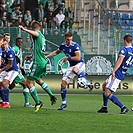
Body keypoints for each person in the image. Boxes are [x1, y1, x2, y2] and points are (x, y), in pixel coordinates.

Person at [46, 32, 92, 110]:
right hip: (71, 66)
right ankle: (64, 103)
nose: (69, 41)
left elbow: (78, 57)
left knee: (75, 70)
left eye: (70, 39)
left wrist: (68, 58)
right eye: (68, 40)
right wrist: (47, 56)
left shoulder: (75, 45)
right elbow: (56, 52)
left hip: (79, 63)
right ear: (65, 38)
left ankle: (85, 81)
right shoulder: (63, 45)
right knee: (63, 84)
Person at [19, 21, 57, 112]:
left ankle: (38, 102)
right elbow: (38, 50)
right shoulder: (42, 37)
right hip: (43, 61)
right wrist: (31, 56)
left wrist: (24, 29)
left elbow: (35, 34)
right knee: (38, 80)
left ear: (33, 28)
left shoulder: (38, 34)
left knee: (28, 83)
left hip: (38, 63)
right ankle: (51, 95)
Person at [97, 34, 133, 114]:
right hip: (123, 72)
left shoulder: (124, 49)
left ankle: (123, 107)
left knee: (107, 93)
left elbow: (120, 60)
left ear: (125, 41)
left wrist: (113, 71)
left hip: (117, 73)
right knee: (104, 85)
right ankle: (104, 107)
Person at [11, 37, 34, 107]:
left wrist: (21, 68)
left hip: (16, 69)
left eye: (21, 42)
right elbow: (11, 54)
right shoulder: (15, 48)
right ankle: (27, 103)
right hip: (14, 70)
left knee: (11, 86)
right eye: (19, 42)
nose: (20, 44)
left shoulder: (19, 49)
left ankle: (3, 98)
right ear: (16, 42)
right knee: (26, 84)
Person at [0, 38, 18, 108]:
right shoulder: (1, 50)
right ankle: (3, 101)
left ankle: (7, 103)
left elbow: (10, 65)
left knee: (4, 83)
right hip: (5, 69)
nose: (4, 46)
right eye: (3, 44)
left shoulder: (10, 51)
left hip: (12, 70)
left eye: (5, 44)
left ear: (7, 43)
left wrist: (1, 70)